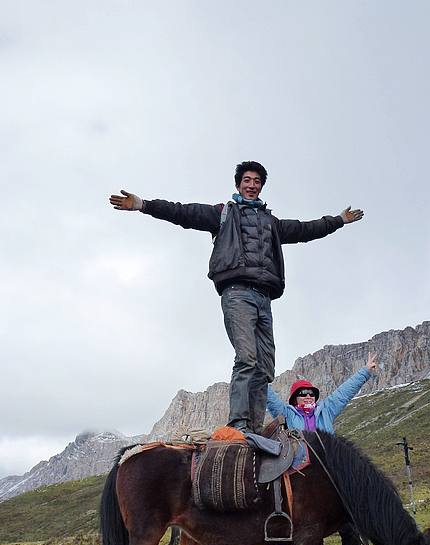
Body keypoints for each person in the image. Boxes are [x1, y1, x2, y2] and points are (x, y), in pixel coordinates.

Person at [109, 162, 364, 434]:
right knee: (247, 358)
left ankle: (254, 427)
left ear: (261, 186)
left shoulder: (271, 223)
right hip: (237, 293)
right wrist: (143, 204)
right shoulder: (222, 214)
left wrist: (339, 221)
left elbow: (305, 230)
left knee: (265, 368)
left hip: (264, 297)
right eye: (247, 180)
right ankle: (240, 424)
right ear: (238, 184)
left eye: (257, 181)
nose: (252, 185)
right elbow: (182, 212)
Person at [267, 352, 377, 545]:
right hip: (303, 482)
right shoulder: (286, 413)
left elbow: (343, 392)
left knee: (350, 530)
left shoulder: (326, 410)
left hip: (332, 479)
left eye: (311, 394)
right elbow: (268, 397)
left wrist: (365, 371)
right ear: (294, 399)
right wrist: (255, 373)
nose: (307, 397)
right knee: (312, 535)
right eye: (302, 394)